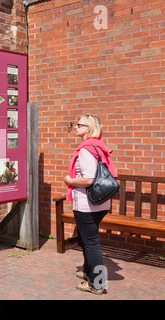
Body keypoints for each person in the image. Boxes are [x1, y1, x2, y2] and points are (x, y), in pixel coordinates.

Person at [64, 114, 118, 295]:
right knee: (88, 241)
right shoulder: (98, 146)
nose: (76, 127)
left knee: (91, 243)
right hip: (100, 203)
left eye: (79, 124)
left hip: (87, 205)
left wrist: (69, 180)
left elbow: (88, 179)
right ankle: (89, 273)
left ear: (89, 128)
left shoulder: (86, 150)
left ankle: (98, 284)